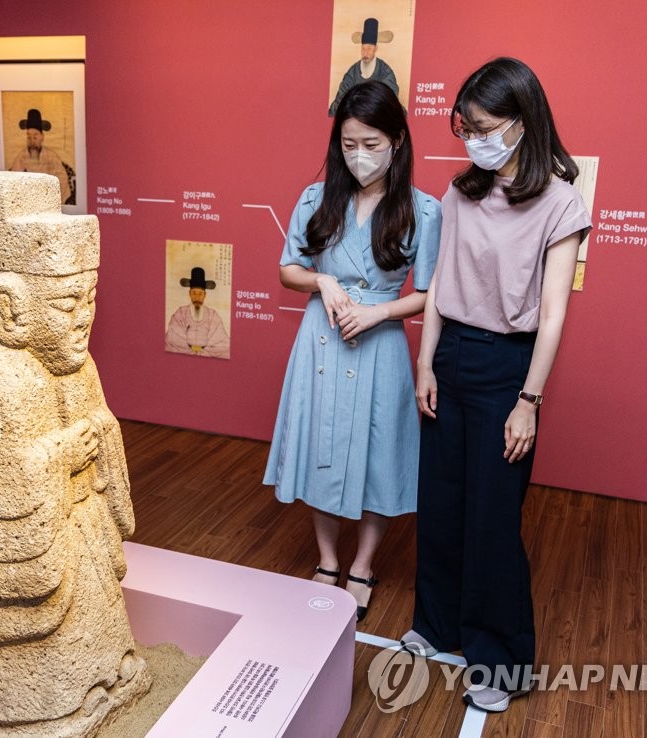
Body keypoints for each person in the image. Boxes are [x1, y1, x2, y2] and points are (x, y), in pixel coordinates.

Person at [0, 172, 150, 736]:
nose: (83, 320)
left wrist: (96, 434)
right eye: (67, 303)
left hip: (82, 528)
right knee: (50, 658)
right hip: (37, 543)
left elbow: (100, 427)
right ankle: (37, 700)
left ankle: (102, 675)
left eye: (90, 300)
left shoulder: (80, 364)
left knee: (96, 615)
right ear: (11, 308)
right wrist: (57, 454)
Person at [398, 58, 592, 713]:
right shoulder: (461, 193)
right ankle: (438, 625)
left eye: (484, 126)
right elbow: (442, 288)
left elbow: (555, 311)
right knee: (443, 503)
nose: (474, 137)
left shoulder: (561, 200)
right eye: (466, 126)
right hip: (450, 356)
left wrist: (529, 402)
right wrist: (425, 363)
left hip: (509, 369)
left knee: (492, 519)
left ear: (521, 120)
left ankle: (500, 662)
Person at [264, 80, 441, 622]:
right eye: (348, 144)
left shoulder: (423, 210)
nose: (359, 156)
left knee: (377, 454)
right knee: (321, 443)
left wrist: (379, 312)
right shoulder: (316, 199)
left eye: (371, 144)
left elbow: (429, 293)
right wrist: (321, 283)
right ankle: (325, 558)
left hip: (379, 342)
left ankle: (363, 563)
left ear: (397, 142)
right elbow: (287, 268)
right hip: (321, 340)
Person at [328, 18, 399, 117]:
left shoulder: (385, 70)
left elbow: (390, 95)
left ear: (375, 49)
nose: (365, 53)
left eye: (369, 48)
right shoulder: (353, 71)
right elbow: (342, 96)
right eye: (363, 49)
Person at [8, 108, 76, 206]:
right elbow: (13, 181)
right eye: (29, 136)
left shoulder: (51, 156)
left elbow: (62, 180)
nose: (32, 140)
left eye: (35, 136)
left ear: (42, 137)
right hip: (28, 202)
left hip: (49, 201)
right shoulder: (21, 157)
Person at [164, 266, 231, 358]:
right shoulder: (180, 313)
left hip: (208, 356)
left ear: (205, 295)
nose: (197, 297)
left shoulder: (212, 315)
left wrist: (203, 354)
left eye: (200, 294)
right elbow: (174, 338)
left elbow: (220, 341)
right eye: (194, 293)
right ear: (189, 294)